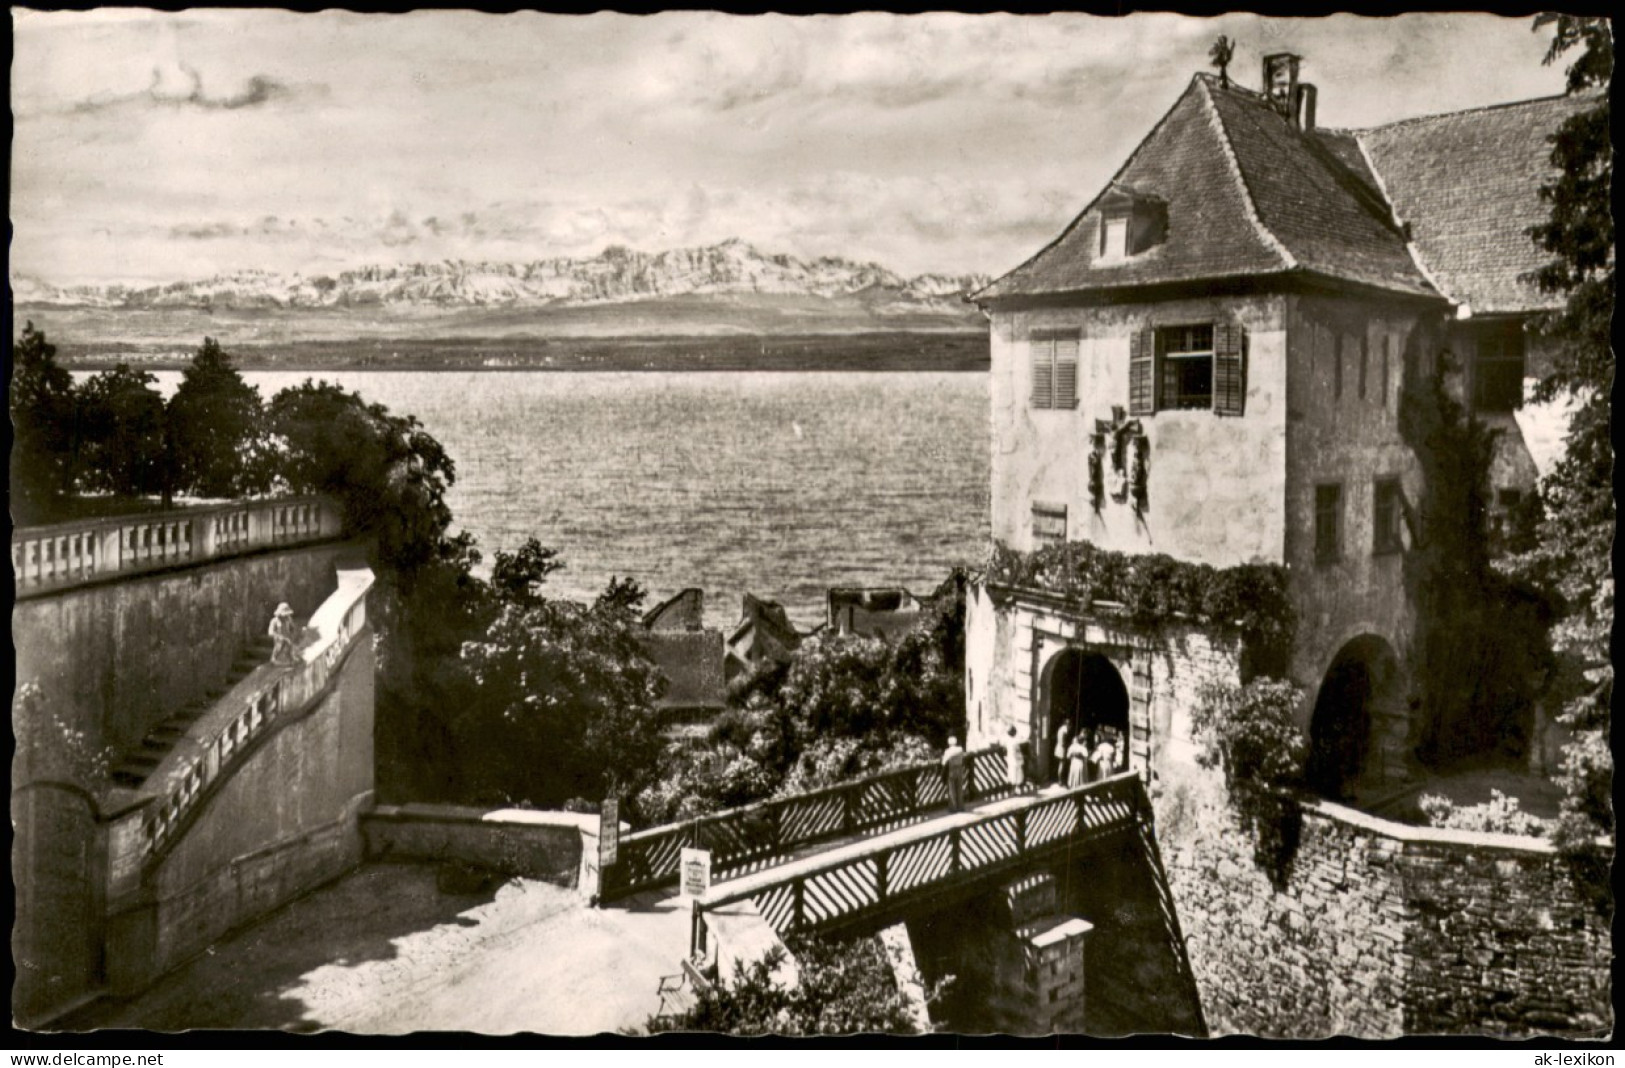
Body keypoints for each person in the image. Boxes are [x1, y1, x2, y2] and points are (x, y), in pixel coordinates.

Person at [942, 735, 967, 812]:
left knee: (952, 790)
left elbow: (943, 763)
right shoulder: (960, 749)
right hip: (959, 770)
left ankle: (953, 808)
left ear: (949, 743)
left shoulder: (947, 751)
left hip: (952, 771)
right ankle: (961, 806)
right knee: (959, 789)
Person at [269, 602, 299, 666]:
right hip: (279, 638)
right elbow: (270, 632)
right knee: (279, 646)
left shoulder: (288, 619)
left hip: (287, 637)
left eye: (287, 614)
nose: (286, 616)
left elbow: (293, 627)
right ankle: (274, 659)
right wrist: (278, 636)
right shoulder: (274, 621)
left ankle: (291, 657)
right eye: (284, 614)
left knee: (290, 645)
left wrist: (293, 633)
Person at [1004, 725, 1027, 794]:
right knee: (1018, 775)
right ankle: (1017, 789)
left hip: (1010, 759)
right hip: (1016, 760)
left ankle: (1013, 789)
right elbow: (1017, 751)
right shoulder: (1015, 742)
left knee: (1012, 774)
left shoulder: (1007, 741)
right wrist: (1022, 757)